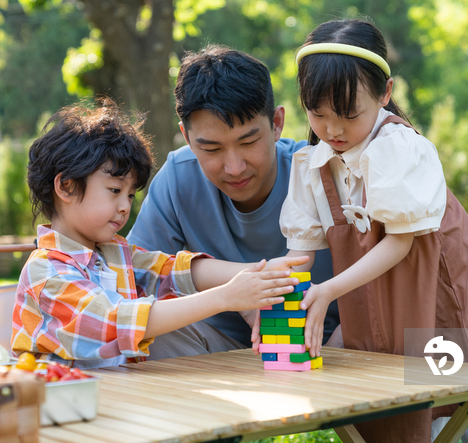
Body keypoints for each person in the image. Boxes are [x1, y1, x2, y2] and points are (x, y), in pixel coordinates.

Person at [279, 19, 468, 442]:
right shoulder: (311, 165)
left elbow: (400, 244)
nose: (333, 130)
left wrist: (329, 290)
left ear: (385, 93)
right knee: (400, 413)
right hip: (378, 297)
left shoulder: (399, 147)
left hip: (443, 287)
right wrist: (278, 303)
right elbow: (299, 254)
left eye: (348, 114)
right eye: (318, 114)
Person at [11, 99, 307, 369]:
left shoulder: (114, 253)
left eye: (129, 196)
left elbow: (172, 271)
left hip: (117, 401)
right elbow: (115, 321)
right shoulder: (47, 272)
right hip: (64, 408)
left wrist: (259, 273)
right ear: (66, 187)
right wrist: (226, 297)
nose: (124, 207)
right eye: (114, 191)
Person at [128, 45, 340, 353]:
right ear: (187, 138)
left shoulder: (321, 172)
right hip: (214, 347)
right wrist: (235, 293)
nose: (234, 167)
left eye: (249, 141)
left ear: (277, 124)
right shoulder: (178, 176)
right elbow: (134, 273)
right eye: (211, 149)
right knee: (143, 333)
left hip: (328, 345)